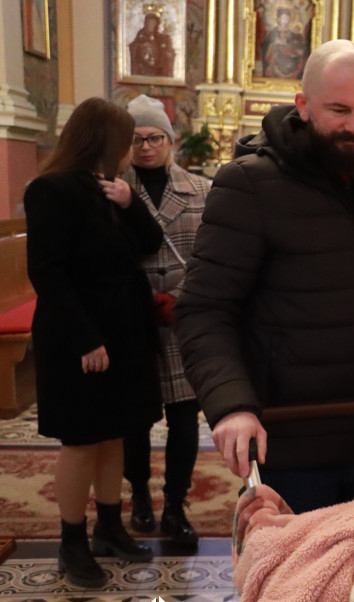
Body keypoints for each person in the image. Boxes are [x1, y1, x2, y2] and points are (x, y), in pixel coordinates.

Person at [175, 39, 354, 515]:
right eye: (339, 110)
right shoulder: (248, 185)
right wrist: (231, 404)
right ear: (303, 105)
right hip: (281, 435)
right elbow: (203, 310)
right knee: (287, 581)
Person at [24, 97, 163, 587]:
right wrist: (85, 338)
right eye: (126, 141)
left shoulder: (110, 189)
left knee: (116, 433)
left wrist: (131, 203)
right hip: (78, 338)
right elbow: (46, 271)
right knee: (82, 441)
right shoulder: (51, 189)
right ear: (106, 142)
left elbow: (149, 245)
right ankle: (72, 542)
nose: (132, 151)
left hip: (123, 335)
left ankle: (109, 527)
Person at [121, 94, 210, 551]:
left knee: (183, 417)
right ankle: (138, 492)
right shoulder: (114, 187)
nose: (147, 147)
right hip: (131, 318)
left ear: (170, 139)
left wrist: (180, 297)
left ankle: (175, 503)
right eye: (136, 139)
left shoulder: (201, 189)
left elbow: (210, 256)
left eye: (155, 137)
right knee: (134, 418)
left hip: (180, 319)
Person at [260, 7, 308, 80]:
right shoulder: (273, 33)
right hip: (275, 63)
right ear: (279, 19)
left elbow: (299, 50)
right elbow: (265, 49)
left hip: (291, 65)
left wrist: (286, 46)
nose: (285, 21)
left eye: (287, 19)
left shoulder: (293, 34)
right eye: (283, 18)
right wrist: (274, 45)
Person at [129, 12, 175, 78]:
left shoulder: (161, 38)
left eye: (153, 23)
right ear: (145, 24)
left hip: (158, 69)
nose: (151, 25)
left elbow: (167, 50)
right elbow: (133, 47)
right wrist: (142, 46)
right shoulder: (140, 36)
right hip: (143, 69)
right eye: (149, 23)